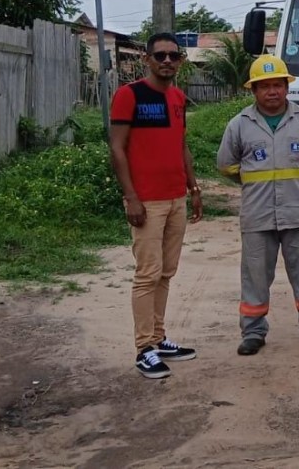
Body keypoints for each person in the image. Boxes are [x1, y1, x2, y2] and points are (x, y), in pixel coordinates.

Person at [216, 56, 299, 356]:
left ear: (287, 87)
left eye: (278, 85)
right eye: (265, 86)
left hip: (298, 212)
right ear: (253, 91)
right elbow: (226, 165)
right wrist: (254, 184)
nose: (272, 92)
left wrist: (292, 182)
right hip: (257, 215)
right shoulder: (240, 124)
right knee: (255, 276)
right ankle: (253, 332)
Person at [109, 33, 204, 379]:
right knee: (147, 274)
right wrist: (131, 197)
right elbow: (117, 149)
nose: (167, 61)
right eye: (160, 55)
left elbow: (181, 146)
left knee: (166, 272)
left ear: (180, 61)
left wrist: (193, 187)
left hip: (175, 196)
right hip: (146, 201)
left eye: (173, 56)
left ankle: (159, 338)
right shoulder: (128, 95)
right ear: (146, 59)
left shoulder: (178, 97)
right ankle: (143, 349)